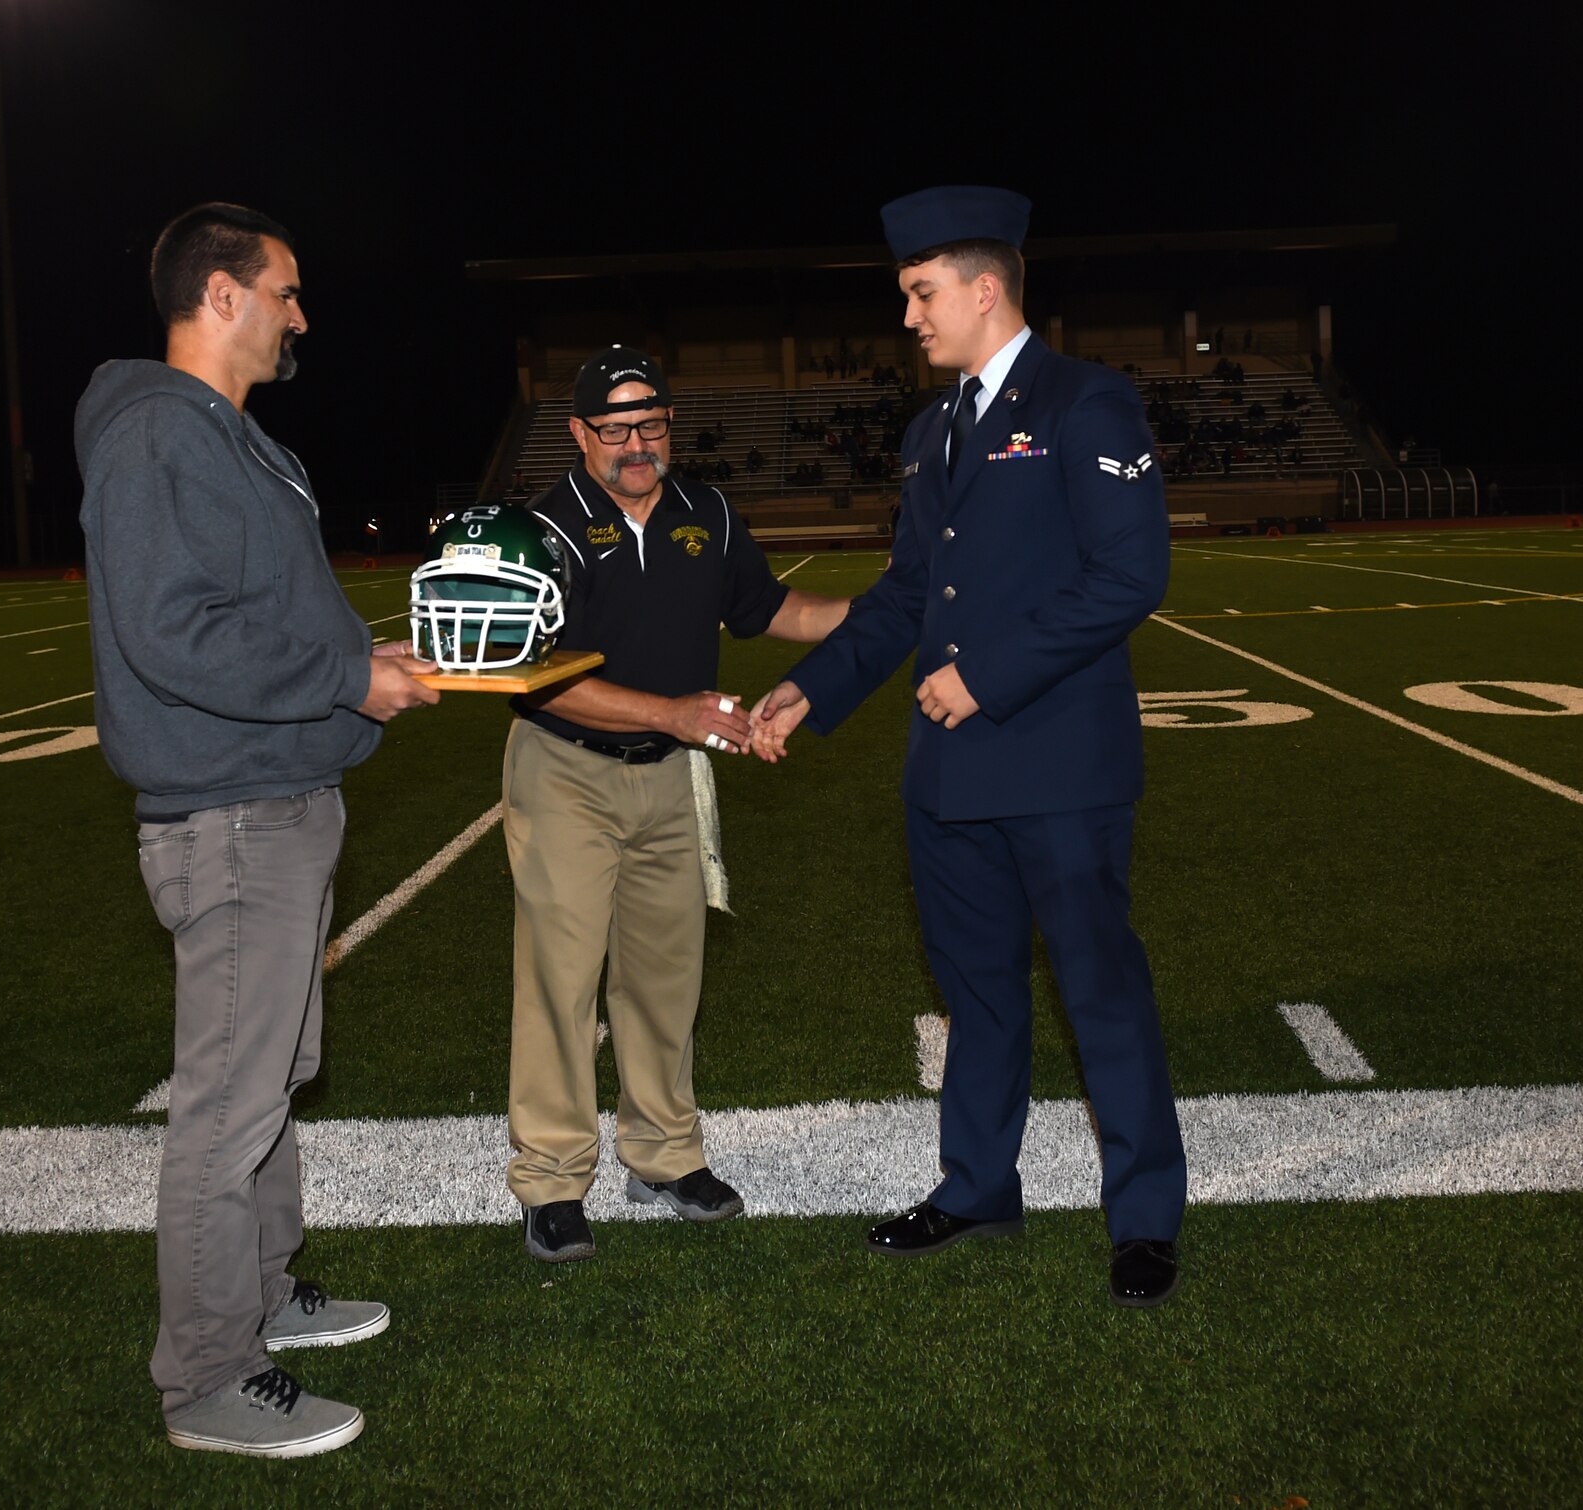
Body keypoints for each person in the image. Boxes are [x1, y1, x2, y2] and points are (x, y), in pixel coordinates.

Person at [751, 186, 1187, 1308]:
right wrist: (812, 687)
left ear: (983, 290)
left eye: (920, 292)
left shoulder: (1086, 403)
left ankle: (1142, 1217)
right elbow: (904, 597)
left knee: (1099, 991)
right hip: (945, 779)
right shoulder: (927, 430)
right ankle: (977, 1184)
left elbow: (1129, 577)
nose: (908, 316)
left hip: (1058, 768)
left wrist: (987, 675)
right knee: (976, 996)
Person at [77, 202, 440, 1458]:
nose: (300, 313)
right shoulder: (154, 436)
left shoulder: (228, 439)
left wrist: (358, 656)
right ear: (220, 295)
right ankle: (207, 1379)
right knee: (227, 1106)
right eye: (284, 290)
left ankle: (266, 1293)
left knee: (275, 1076)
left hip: (277, 801)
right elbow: (170, 633)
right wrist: (348, 681)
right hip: (228, 816)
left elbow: (260, 614)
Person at [504, 346, 849, 1263]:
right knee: (561, 980)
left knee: (665, 977)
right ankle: (551, 1176)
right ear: (578, 433)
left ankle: (661, 1153)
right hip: (565, 769)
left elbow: (771, 608)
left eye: (650, 426)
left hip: (669, 773)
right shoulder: (545, 526)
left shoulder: (708, 511)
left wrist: (887, 612)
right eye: (613, 430)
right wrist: (677, 712)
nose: (635, 446)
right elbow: (535, 683)